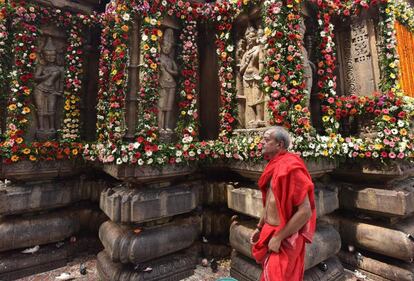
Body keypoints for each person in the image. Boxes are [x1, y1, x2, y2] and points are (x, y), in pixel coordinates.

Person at [250, 126, 316, 281]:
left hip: (285, 236)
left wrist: (279, 237)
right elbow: (270, 202)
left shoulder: (291, 167)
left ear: (279, 145)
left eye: (267, 140)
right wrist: (260, 227)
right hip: (269, 231)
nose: (262, 143)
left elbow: (305, 211)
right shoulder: (274, 165)